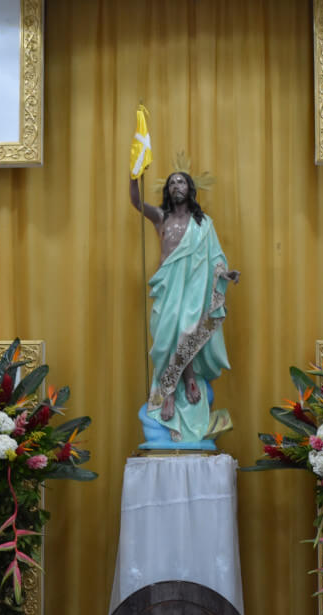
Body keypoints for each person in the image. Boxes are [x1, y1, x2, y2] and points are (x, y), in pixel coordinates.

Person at [130, 171, 240, 446]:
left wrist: (225, 275)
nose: (176, 186)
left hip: (192, 287)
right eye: (172, 182)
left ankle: (178, 386)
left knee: (186, 330)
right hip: (167, 287)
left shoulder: (203, 223)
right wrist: (134, 178)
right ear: (168, 190)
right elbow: (137, 203)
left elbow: (215, 256)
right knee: (166, 338)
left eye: (181, 182)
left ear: (190, 188)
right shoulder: (161, 218)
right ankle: (175, 386)